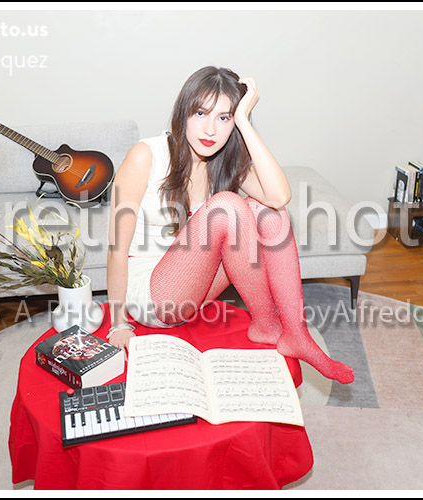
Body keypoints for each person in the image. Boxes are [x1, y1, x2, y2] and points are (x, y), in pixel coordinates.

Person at [106, 66, 354, 385]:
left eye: (224, 118)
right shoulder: (147, 155)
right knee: (227, 207)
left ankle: (295, 332)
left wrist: (245, 123)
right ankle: (267, 323)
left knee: (267, 212)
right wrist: (118, 324)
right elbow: (116, 248)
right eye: (201, 113)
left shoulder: (223, 160)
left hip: (194, 289)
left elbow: (279, 197)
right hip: (153, 297)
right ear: (183, 112)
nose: (210, 129)